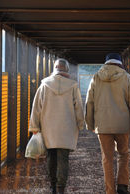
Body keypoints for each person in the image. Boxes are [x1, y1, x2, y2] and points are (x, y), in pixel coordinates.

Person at [85, 53, 130, 194]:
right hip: (122, 126)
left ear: (106, 63)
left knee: (107, 158)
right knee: (123, 154)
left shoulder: (96, 78)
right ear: (120, 63)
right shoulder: (127, 78)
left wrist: (90, 124)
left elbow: (89, 104)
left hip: (103, 126)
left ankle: (110, 191)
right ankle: (122, 186)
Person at [29, 58, 84, 194]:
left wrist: (35, 127)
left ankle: (53, 186)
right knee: (63, 158)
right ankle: (61, 188)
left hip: (48, 128)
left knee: (51, 157)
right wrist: (80, 123)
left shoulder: (44, 85)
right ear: (66, 69)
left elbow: (36, 108)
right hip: (67, 128)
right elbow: (79, 107)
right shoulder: (73, 86)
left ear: (54, 69)